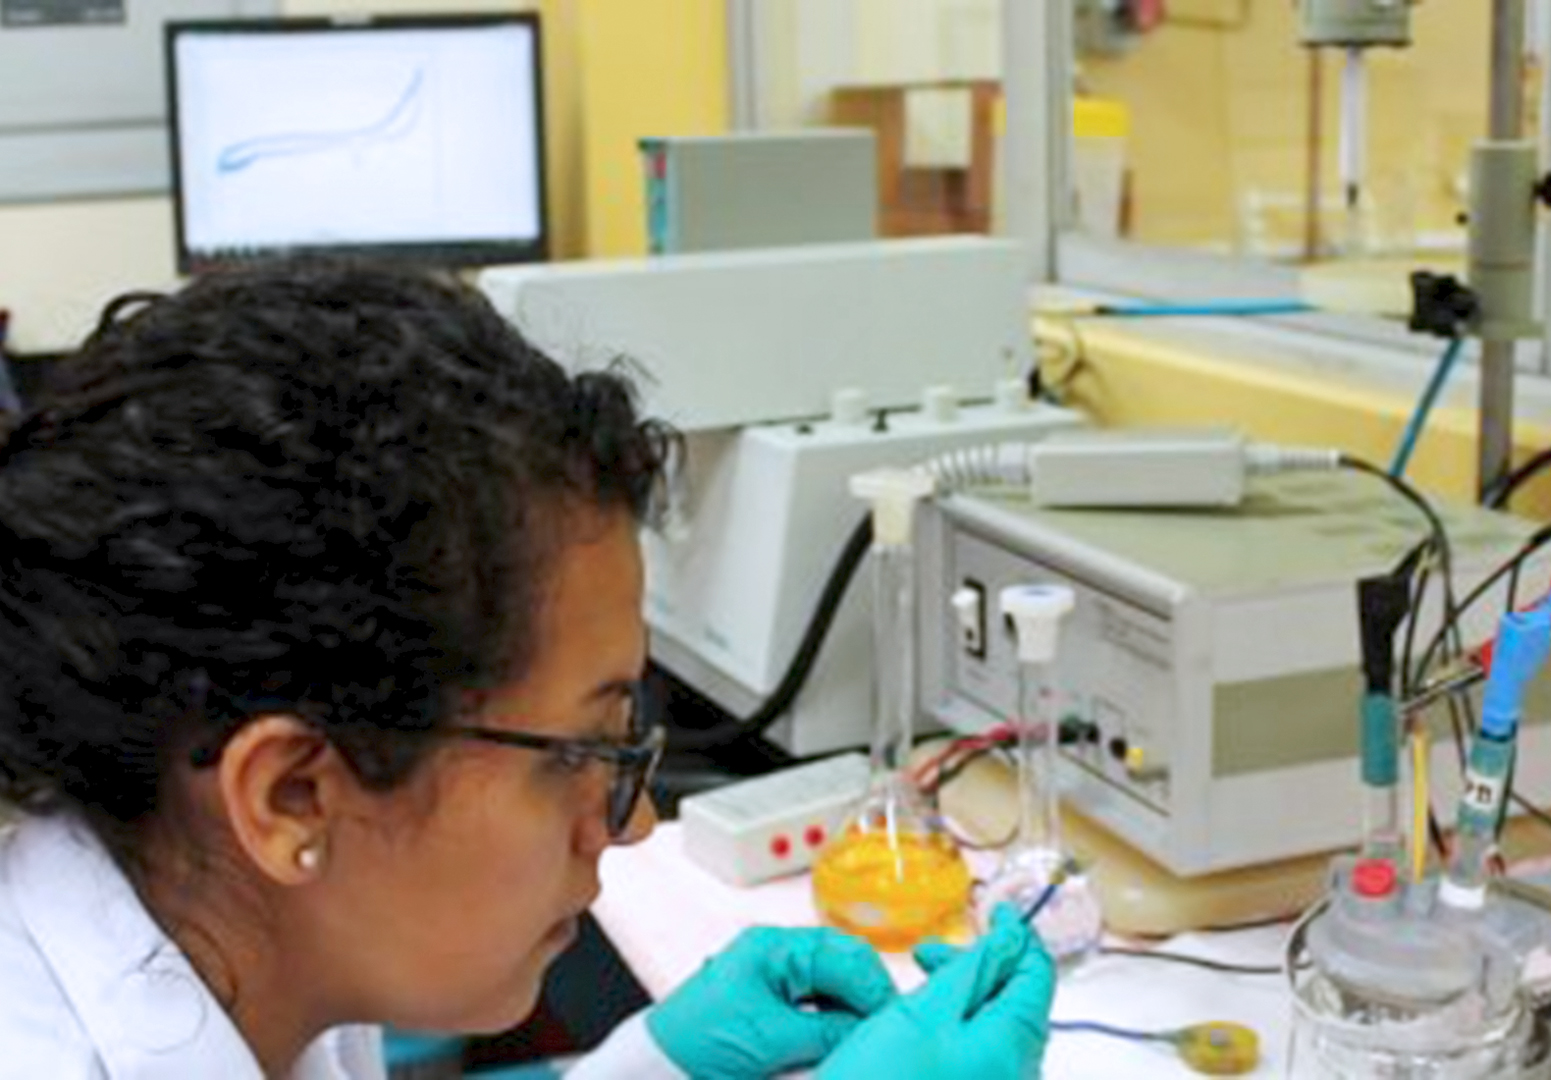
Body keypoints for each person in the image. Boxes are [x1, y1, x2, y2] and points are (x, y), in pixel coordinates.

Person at [0, 261, 1055, 1079]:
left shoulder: (228, 949)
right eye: (587, 750)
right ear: (292, 796)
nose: (630, 823)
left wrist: (657, 1062)